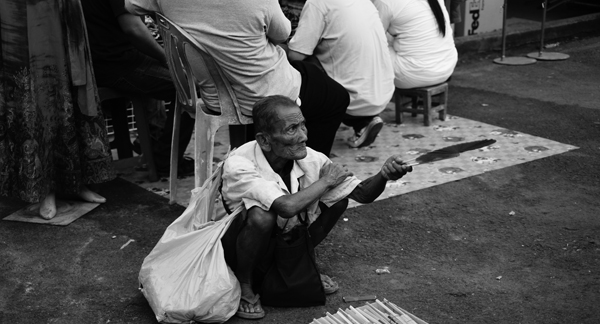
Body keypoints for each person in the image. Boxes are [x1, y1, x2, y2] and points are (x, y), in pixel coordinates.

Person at [220, 95, 412, 319]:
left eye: (302, 125)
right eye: (292, 129)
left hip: (279, 239)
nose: (303, 136)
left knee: (339, 201)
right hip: (235, 247)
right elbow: (286, 207)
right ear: (264, 140)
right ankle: (244, 283)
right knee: (262, 216)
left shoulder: (310, 158)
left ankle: (302, 263)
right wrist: (326, 182)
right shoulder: (239, 164)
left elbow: (362, 193)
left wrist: (384, 175)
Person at [124, 0, 349, 157]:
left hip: (212, 95)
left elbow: (131, 6)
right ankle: (302, 173)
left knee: (302, 70)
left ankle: (263, 150)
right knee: (336, 97)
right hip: (262, 93)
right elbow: (281, 34)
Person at [0, 0, 115, 220]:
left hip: (61, 9)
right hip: (18, 13)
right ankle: (45, 188)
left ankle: (75, 181)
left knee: (69, 82)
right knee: (37, 89)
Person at [81, 0, 195, 177]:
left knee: (172, 73)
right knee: (191, 88)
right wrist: (168, 60)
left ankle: (152, 143)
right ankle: (165, 159)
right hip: (117, 63)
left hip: (102, 60)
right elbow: (133, 29)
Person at [286, 0, 395, 149]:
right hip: (383, 93)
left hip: (351, 100)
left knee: (300, 65)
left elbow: (295, 55)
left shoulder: (318, 3)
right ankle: (362, 123)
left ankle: (305, 129)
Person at [372, 0, 458, 89]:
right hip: (446, 67)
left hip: (413, 74)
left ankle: (372, 96)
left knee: (374, 41)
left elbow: (372, 38)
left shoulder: (385, 2)